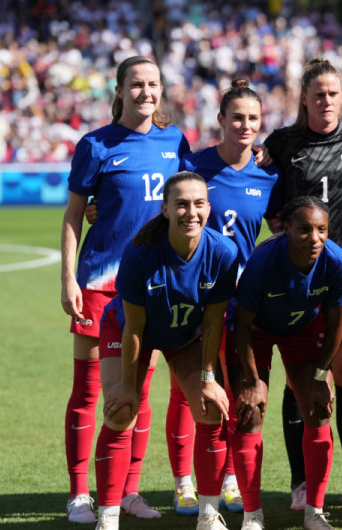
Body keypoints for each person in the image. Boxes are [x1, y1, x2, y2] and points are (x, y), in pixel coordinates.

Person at [60, 55, 188, 525]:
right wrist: (67, 277)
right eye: (136, 84)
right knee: (90, 390)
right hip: (98, 282)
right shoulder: (94, 145)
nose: (146, 92)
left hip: (152, 286)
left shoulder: (176, 142)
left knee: (140, 391)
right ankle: (78, 494)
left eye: (153, 84)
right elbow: (74, 215)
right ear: (119, 90)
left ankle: (129, 491)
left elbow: (195, 193)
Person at [92, 172, 239, 530]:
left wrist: (208, 378)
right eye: (182, 204)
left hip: (185, 337)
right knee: (121, 409)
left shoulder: (223, 252)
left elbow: (214, 322)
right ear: (165, 209)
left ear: (209, 207)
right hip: (129, 330)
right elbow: (135, 327)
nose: (192, 212)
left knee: (208, 408)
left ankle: (208, 514)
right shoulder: (140, 253)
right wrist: (128, 385)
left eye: (199, 204)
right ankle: (108, 517)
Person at [264, 57, 342, 510]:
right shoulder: (283, 142)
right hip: (297, 274)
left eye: (333, 93)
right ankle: (300, 484)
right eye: (318, 94)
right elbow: (268, 203)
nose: (326, 100)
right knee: (300, 380)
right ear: (304, 98)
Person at [167, 78, 280, 517]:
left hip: (242, 301)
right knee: (187, 391)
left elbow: (276, 229)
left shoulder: (269, 173)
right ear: (221, 120)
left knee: (234, 390)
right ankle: (183, 483)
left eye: (253, 118)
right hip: (192, 295)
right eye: (237, 117)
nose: (245, 125)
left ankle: (230, 478)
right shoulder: (194, 166)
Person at [230, 197, 342, 530]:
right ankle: (252, 515)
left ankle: (314, 512)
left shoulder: (338, 262)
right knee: (249, 412)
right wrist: (254, 382)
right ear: (286, 229)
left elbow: (336, 324)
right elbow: (241, 325)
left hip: (304, 330)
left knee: (317, 408)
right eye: (305, 229)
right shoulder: (263, 263)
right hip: (255, 332)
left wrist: (320, 376)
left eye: (321, 229)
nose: (314, 238)